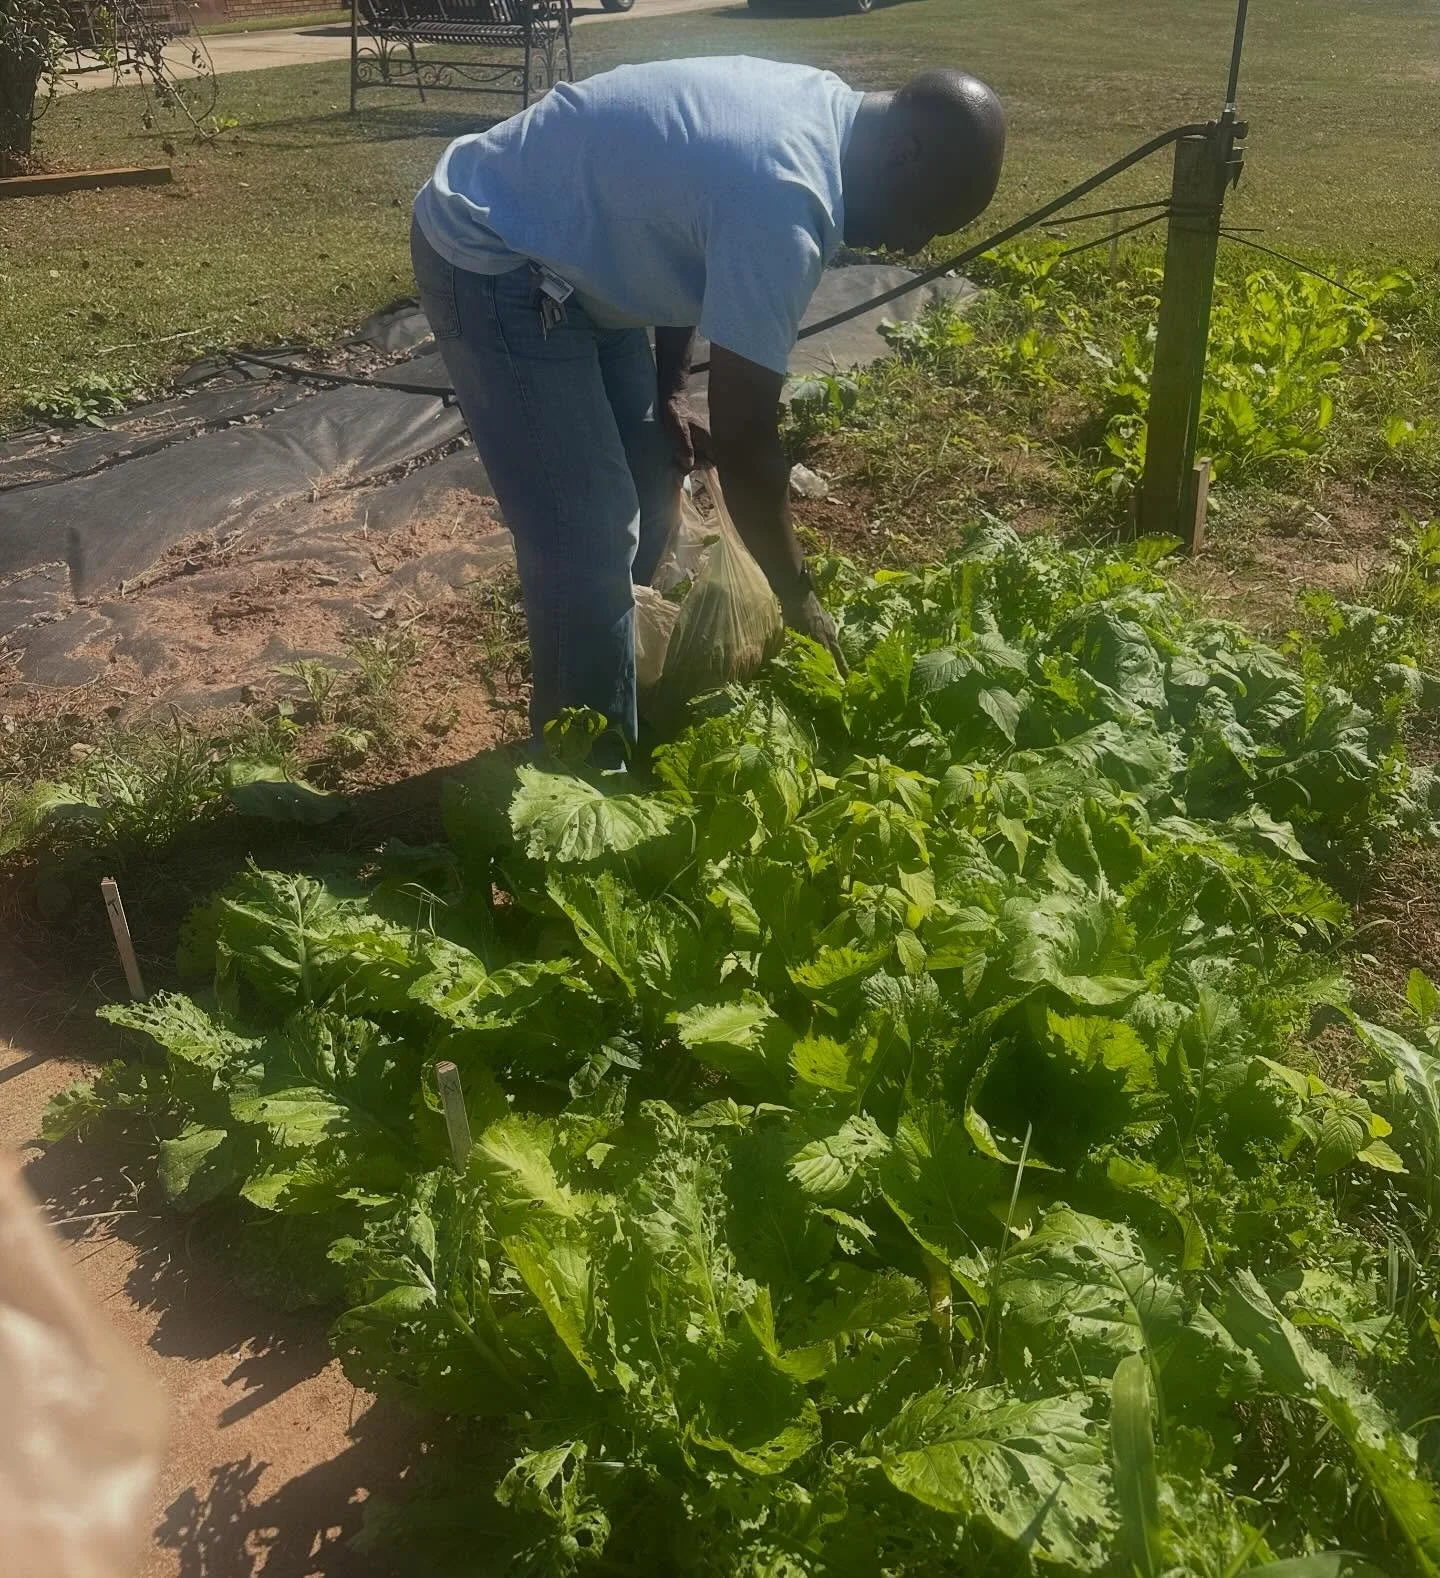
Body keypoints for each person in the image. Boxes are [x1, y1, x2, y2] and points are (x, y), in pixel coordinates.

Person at [411, 56, 1005, 754]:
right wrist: (798, 596)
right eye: (927, 216)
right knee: (589, 536)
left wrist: (668, 385)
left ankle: (607, 673)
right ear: (904, 151)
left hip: (576, 251)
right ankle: (586, 779)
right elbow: (747, 437)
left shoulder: (827, 112)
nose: (914, 244)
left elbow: (689, 233)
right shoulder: (789, 195)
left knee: (647, 475)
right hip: (494, 250)